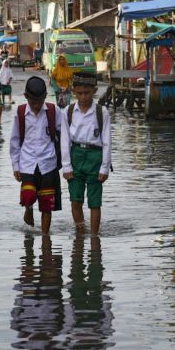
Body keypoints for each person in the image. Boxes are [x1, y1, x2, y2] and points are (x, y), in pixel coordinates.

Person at [9, 76, 70, 236]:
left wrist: (66, 163)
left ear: (45, 97)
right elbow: (15, 140)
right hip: (27, 163)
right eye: (33, 102)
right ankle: (28, 209)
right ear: (26, 97)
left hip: (48, 163)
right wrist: (16, 165)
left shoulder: (53, 111)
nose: (36, 106)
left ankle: (45, 238)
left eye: (39, 101)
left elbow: (64, 136)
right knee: (28, 196)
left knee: (46, 204)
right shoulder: (21, 113)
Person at [62, 72, 111, 236]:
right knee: (75, 200)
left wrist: (105, 167)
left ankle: (94, 237)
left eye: (87, 93)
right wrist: (66, 165)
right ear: (73, 91)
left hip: (95, 157)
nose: (83, 97)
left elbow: (107, 141)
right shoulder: (67, 112)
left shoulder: (101, 112)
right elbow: (65, 141)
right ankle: (81, 231)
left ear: (94, 91)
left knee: (95, 202)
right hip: (75, 155)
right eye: (80, 93)